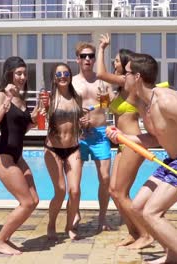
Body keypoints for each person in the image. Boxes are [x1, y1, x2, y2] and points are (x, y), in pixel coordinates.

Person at [106, 53, 177, 264]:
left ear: (136, 77)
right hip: (173, 160)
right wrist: (123, 137)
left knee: (152, 213)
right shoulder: (143, 104)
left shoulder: (166, 100)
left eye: (125, 73)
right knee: (138, 207)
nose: (121, 76)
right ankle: (172, 254)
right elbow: (155, 138)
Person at [96, 34, 152, 249]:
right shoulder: (121, 89)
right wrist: (104, 95)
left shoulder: (128, 83)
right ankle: (134, 233)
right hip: (121, 143)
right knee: (114, 191)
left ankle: (146, 235)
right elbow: (106, 109)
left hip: (133, 143)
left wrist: (102, 47)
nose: (114, 64)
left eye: (117, 61)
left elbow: (100, 73)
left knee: (120, 192)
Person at [0, 56, 40, 255]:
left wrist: (34, 118)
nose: (22, 77)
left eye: (25, 73)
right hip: (3, 156)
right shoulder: (1, 95)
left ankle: (6, 238)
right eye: (18, 73)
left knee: (34, 200)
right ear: (9, 73)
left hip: (17, 155)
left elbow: (21, 129)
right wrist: (7, 100)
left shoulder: (22, 99)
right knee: (26, 202)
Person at [72, 41, 112, 232]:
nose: (87, 59)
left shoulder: (102, 80)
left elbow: (108, 107)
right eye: (83, 56)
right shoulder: (71, 82)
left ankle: (102, 217)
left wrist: (104, 98)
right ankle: (75, 212)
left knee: (105, 178)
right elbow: (65, 108)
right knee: (75, 180)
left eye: (90, 56)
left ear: (95, 59)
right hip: (78, 136)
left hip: (100, 133)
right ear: (77, 59)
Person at [44, 63, 83, 240]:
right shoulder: (49, 98)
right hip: (53, 149)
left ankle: (69, 226)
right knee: (60, 190)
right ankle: (51, 223)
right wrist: (43, 107)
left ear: (70, 75)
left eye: (65, 73)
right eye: (58, 73)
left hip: (73, 148)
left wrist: (86, 122)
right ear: (54, 78)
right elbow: (40, 116)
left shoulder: (77, 98)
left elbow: (82, 121)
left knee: (74, 191)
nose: (62, 76)